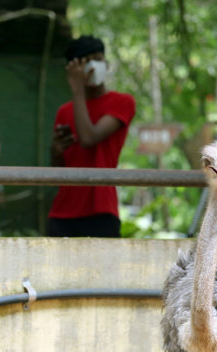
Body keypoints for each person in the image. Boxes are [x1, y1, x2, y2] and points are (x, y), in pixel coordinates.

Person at [48, 35, 135, 237]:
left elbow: (89, 138)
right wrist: (56, 151)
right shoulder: (64, 111)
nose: (94, 66)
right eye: (86, 62)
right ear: (73, 69)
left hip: (101, 210)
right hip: (62, 213)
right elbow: (58, 173)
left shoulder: (122, 102)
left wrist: (77, 90)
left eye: (98, 59)